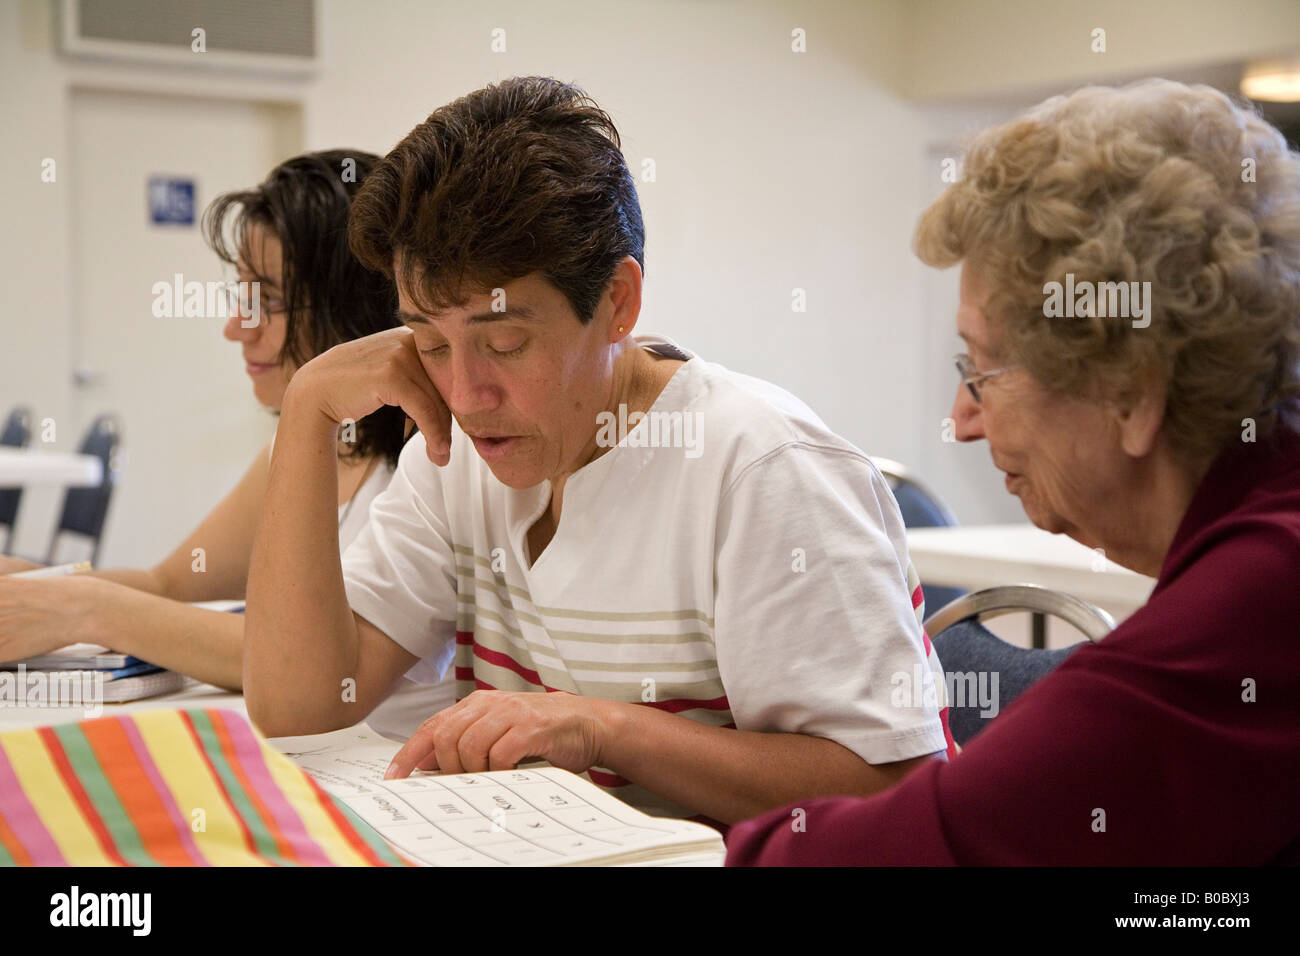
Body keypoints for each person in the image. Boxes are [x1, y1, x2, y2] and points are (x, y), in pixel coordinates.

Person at [242, 76, 955, 826]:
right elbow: (299, 707)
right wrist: (307, 412)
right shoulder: (454, 456)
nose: (464, 392)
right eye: (428, 343)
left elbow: (893, 791)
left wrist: (602, 728)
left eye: (505, 343)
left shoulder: (760, 468)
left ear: (617, 303)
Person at [726, 78, 1300, 864]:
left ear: (1130, 389)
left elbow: (905, 852)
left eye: (984, 367)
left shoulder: (1257, 604)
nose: (962, 419)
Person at [0, 150, 455, 736]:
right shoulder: (309, 446)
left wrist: (81, 606)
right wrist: (38, 583)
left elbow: (298, 663)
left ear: (354, 303)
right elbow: (171, 584)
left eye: (265, 300)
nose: (236, 327)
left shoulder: (429, 455)